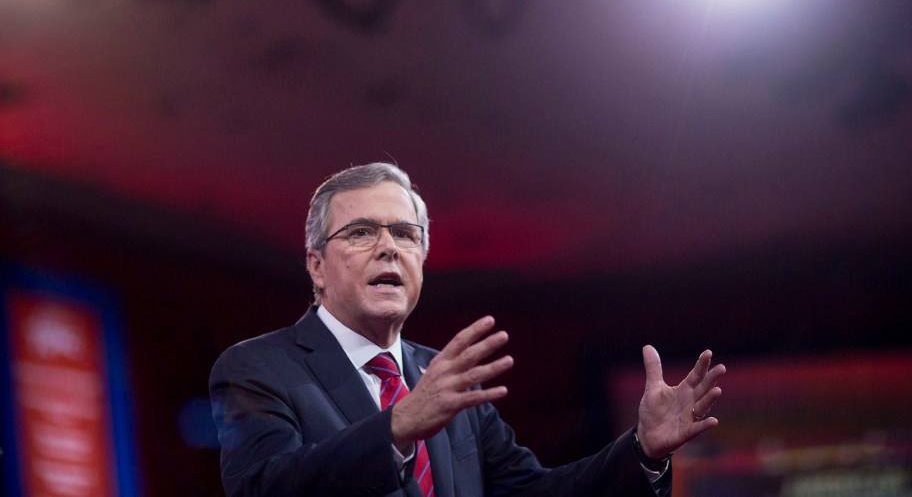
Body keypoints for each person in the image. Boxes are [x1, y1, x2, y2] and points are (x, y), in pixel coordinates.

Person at [209, 162, 725, 496]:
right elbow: (264, 488)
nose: (389, 247)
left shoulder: (447, 378)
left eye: (406, 234)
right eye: (362, 232)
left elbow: (532, 494)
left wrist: (642, 449)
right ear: (317, 266)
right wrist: (397, 426)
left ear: (423, 258)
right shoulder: (258, 368)